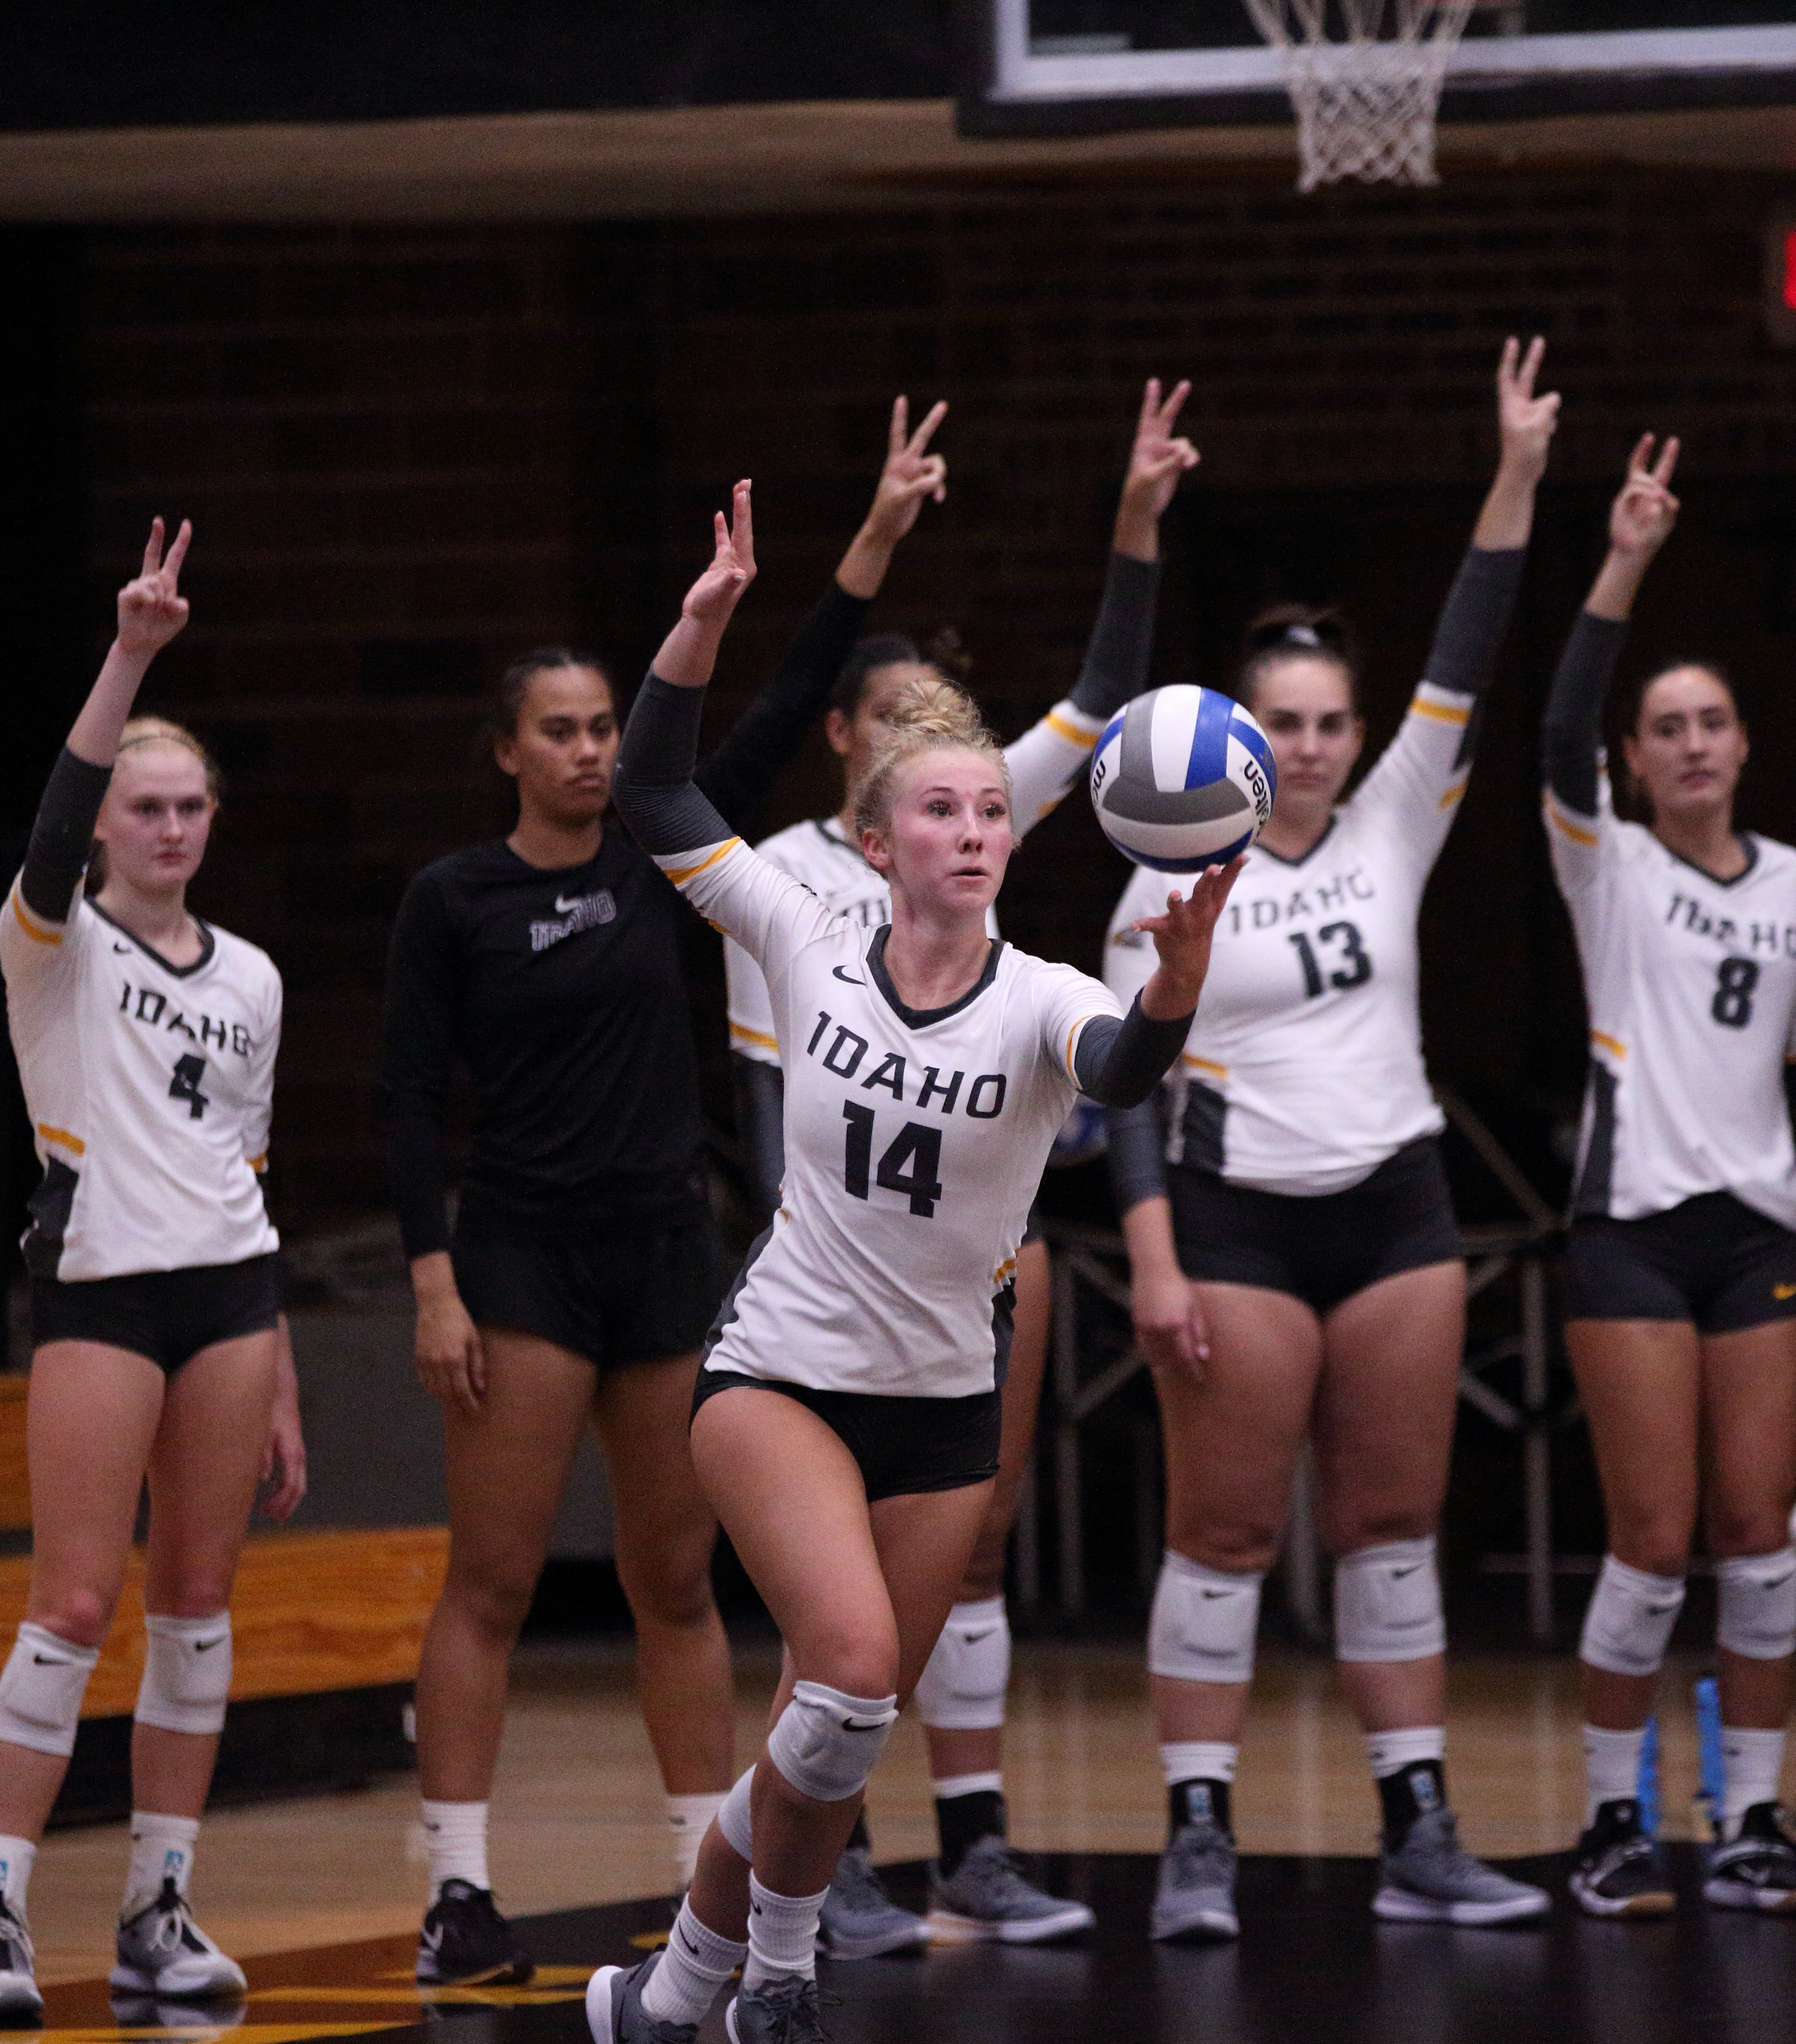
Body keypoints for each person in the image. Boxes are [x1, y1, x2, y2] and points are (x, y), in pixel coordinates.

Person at [587, 481, 1233, 2044]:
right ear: (875, 839)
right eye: (941, 810)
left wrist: (1176, 995)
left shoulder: (1040, 996)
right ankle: (784, 1977)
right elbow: (657, 794)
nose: (975, 832)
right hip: (782, 1376)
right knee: (859, 1666)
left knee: (838, 1724)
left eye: (994, 812)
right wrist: (703, 620)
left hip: (943, 1398)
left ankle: (683, 1983)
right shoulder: (801, 929)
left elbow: (1128, 1074)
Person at [379, 405, 953, 1983]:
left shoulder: (665, 857)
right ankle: (457, 1889)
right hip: (518, 1257)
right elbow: (406, 1097)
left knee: (676, 1577)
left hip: (661, 1249)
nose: (580, 748)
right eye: (553, 729)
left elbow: (781, 701)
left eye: (595, 728)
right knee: (493, 1577)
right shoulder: (457, 900)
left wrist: (876, 537)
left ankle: (719, 1880)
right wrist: (431, 1278)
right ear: (507, 752)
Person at [718, 382, 1201, 1953]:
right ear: (855, 765)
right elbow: (738, 735)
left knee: (953, 1556)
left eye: (971, 762)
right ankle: (812, 1866)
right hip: (804, 1248)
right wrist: (866, 539)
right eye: (910, 733)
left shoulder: (971, 825)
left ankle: (971, 1842)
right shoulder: (785, 875)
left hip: (973, 1235)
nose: (958, 779)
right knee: (828, 1624)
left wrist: (1134, 520)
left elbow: (1106, 699)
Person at [1103, 337, 1559, 1940]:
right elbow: (1123, 1085)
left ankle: (1420, 1830)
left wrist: (1513, 474)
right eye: (1280, 721)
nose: (1306, 744)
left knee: (1390, 1527)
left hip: (1396, 1213)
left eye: (1327, 721)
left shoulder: (1394, 819)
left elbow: (1473, 645)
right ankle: (1199, 1839)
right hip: (1233, 1227)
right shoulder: (1166, 867)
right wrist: (1154, 1257)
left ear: (1361, 733)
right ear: (1239, 729)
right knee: (1222, 1533)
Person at [0, 519, 308, 2022]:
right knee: (76, 1604)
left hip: (230, 1299)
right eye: (143, 808)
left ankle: (160, 1908)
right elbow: (47, 834)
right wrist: (133, 655)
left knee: (202, 1601)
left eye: (188, 809)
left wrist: (283, 1365)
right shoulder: (56, 947)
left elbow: (254, 1176)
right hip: (101, 1293)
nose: (167, 829)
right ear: (109, 826)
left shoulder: (254, 980)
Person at [1539, 435, 1796, 1917]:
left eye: (1711, 723)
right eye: (1663, 725)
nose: (1687, 744)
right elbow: (1554, 730)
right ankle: (1615, 1824)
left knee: (1757, 1534)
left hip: (1766, 1236)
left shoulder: (1794, 880)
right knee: (1654, 1537)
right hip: (1629, 1231)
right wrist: (1622, 556)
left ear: (1742, 746)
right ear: (1635, 757)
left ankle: (1746, 1822)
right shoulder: (1604, 861)